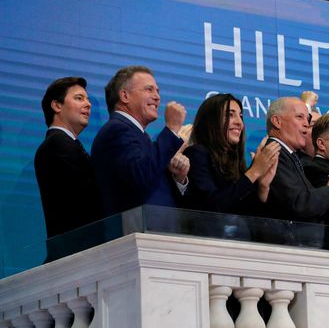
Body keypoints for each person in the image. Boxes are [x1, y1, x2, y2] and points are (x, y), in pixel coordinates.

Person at [91, 66, 190, 216]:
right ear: (125, 96)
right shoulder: (116, 130)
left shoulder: (138, 134)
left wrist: (178, 176)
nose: (157, 97)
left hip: (155, 232)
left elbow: (151, 181)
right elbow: (141, 174)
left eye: (157, 91)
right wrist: (171, 129)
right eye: (149, 89)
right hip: (135, 232)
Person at [184, 94, 280, 216]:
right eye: (230, 115)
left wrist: (263, 187)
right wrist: (254, 172)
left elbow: (250, 217)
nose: (239, 122)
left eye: (240, 116)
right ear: (211, 121)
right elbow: (211, 207)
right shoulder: (196, 154)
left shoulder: (236, 163)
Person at [261, 97, 329, 223]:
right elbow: (298, 204)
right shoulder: (274, 154)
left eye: (308, 119)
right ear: (277, 121)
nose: (306, 123)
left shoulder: (289, 156)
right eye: (299, 117)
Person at [35, 76, 103, 247]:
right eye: (79, 98)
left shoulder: (63, 144)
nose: (88, 104)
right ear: (57, 105)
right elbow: (89, 197)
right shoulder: (58, 144)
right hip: (78, 250)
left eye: (87, 99)